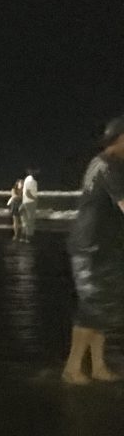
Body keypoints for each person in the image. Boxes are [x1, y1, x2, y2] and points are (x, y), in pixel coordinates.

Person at [61, 117, 124, 384]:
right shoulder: (109, 165)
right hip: (92, 247)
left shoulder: (101, 163)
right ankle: (72, 368)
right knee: (92, 307)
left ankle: (97, 366)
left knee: (102, 308)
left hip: (98, 246)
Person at [21, 168, 39, 242]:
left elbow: (25, 192)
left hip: (25, 202)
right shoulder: (32, 181)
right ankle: (28, 238)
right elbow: (28, 193)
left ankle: (23, 237)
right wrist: (35, 199)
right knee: (30, 221)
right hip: (30, 202)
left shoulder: (26, 180)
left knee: (25, 221)